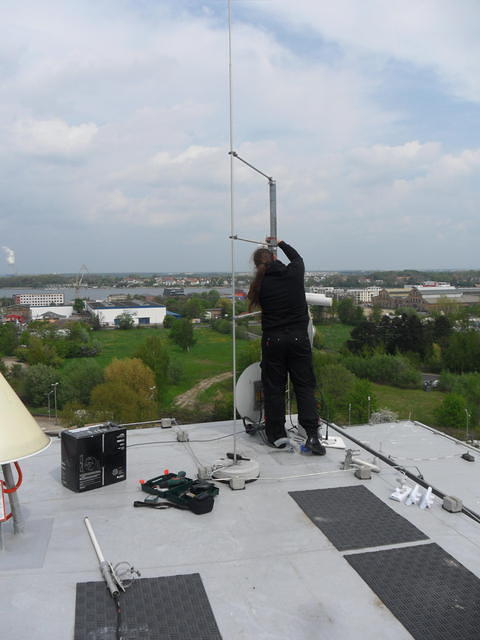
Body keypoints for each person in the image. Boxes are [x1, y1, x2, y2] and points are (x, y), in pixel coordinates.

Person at [247, 237, 326, 455]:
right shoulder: (294, 274)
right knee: (304, 386)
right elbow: (297, 258)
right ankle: (312, 435)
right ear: (274, 258)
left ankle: (277, 435)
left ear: (257, 266)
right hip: (299, 339)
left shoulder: (260, 285)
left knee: (274, 388)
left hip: (274, 341)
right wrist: (280, 242)